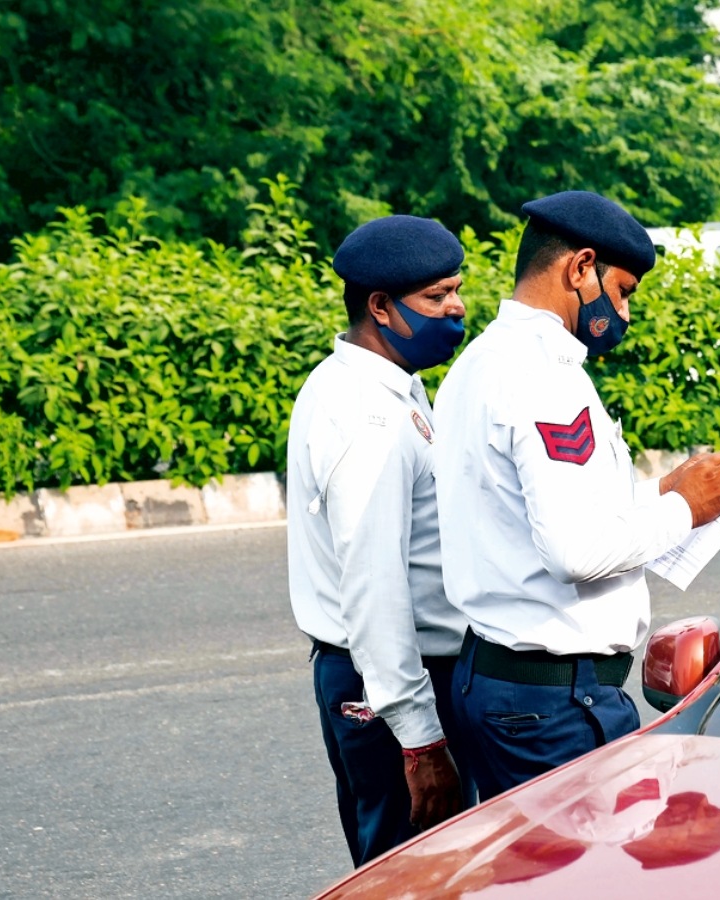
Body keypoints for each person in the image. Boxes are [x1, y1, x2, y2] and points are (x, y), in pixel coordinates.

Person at [432, 190, 720, 800]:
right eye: (624, 291)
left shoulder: (481, 360)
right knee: (592, 856)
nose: (625, 313)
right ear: (581, 268)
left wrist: (664, 490)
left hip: (502, 679)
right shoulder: (545, 376)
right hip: (553, 703)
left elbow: (538, 510)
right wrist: (686, 509)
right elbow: (575, 551)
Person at [286, 214, 471, 867]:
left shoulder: (390, 385)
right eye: (437, 296)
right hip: (391, 682)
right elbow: (374, 586)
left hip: (396, 674)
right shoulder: (365, 415)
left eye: (457, 289)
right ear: (381, 308)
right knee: (411, 872)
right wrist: (420, 740)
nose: (457, 308)